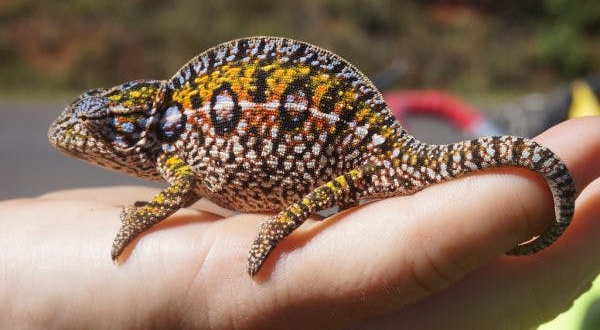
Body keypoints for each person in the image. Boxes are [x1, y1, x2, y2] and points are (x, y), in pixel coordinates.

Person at [2, 117, 600, 329]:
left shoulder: (171, 146)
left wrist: (274, 227)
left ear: (133, 129)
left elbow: (181, 188)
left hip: (366, 159)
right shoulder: (174, 134)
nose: (84, 142)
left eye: (104, 130)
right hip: (355, 156)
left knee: (333, 201)